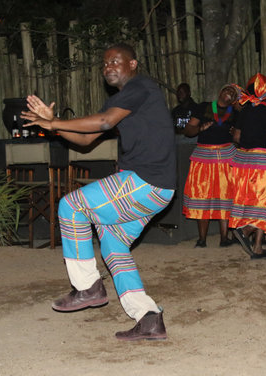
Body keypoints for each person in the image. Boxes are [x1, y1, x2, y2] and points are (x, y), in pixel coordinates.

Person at [21, 43, 176, 341]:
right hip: (156, 188)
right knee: (113, 244)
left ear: (133, 64)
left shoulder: (141, 86)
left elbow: (104, 122)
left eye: (115, 61)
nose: (108, 68)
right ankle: (149, 318)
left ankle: (88, 287)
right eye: (104, 64)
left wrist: (54, 121)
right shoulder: (124, 100)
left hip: (145, 180)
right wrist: (50, 126)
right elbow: (87, 139)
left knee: (71, 206)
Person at [229, 73, 266, 259]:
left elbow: (236, 138)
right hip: (263, 163)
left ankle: (258, 247)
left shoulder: (244, 111)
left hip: (243, 161)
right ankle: (245, 231)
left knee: (256, 203)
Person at [182, 84, 238, 247]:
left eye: (233, 93)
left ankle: (224, 238)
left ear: (234, 100)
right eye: (227, 89)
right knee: (202, 196)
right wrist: (200, 128)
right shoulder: (204, 107)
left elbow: (240, 136)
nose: (229, 93)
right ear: (220, 92)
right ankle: (202, 239)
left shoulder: (235, 114)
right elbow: (188, 130)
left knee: (226, 196)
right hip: (204, 156)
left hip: (227, 155)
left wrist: (235, 134)